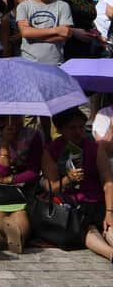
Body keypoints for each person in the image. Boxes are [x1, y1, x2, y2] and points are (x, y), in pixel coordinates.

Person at [41, 107, 113, 262]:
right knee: (88, 229)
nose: (78, 132)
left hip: (97, 202)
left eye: (81, 127)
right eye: (72, 128)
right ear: (60, 129)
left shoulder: (94, 148)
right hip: (72, 206)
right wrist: (68, 179)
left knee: (109, 227)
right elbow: (51, 188)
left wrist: (109, 211)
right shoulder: (52, 150)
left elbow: (108, 182)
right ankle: (110, 253)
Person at [0, 114, 41, 253]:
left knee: (19, 213)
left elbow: (33, 172)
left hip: (22, 189)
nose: (16, 122)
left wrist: (10, 180)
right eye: (10, 118)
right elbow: (1, 171)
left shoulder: (33, 136)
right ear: (0, 120)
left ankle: (17, 236)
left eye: (18, 117)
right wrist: (5, 142)